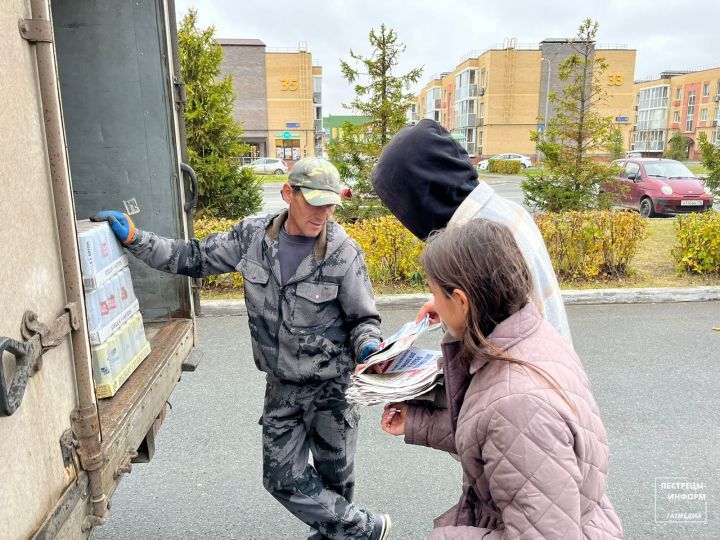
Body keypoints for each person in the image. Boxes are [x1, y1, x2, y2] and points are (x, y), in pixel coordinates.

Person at [93, 158, 392, 540]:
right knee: (280, 476)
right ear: (289, 194)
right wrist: (136, 238)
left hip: (333, 389)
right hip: (282, 385)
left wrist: (370, 346)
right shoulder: (253, 237)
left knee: (335, 487)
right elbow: (193, 257)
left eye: (330, 204)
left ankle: (347, 533)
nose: (323, 213)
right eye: (315, 202)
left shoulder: (342, 251)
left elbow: (364, 319)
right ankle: (365, 529)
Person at [380, 219, 623, 539]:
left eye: (436, 293)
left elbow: (513, 429)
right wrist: (416, 422)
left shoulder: (519, 405)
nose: (432, 302)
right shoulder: (530, 335)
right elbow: (493, 435)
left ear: (462, 301)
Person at [371, 119, 571, 341]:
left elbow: (488, 350)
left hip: (520, 371)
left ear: (419, 196)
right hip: (552, 360)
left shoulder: (478, 245)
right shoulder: (505, 212)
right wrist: (446, 307)